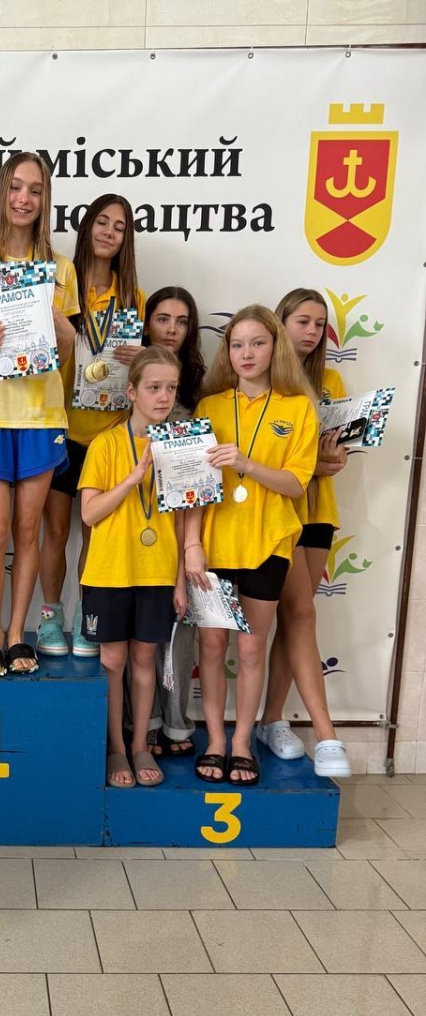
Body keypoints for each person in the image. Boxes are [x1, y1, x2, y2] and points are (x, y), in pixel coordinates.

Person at [0, 151, 78, 677]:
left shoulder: (60, 269)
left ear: (46, 200)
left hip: (42, 415)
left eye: (36, 190)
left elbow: (65, 355)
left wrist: (64, 331)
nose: (25, 198)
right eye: (16, 187)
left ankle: (19, 633)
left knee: (29, 531)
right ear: (1, 192)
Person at [185, 305, 319, 786]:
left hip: (267, 545)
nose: (246, 353)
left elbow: (296, 483)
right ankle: (215, 742)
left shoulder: (297, 408)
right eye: (237, 344)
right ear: (227, 350)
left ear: (275, 347)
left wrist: (246, 464)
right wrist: (192, 543)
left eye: (257, 343)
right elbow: (194, 485)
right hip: (215, 546)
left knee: (250, 649)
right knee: (211, 645)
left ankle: (242, 742)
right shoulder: (210, 407)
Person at [37, 193, 145, 660]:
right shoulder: (61, 283)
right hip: (59, 427)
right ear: (86, 228)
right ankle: (49, 618)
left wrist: (143, 358)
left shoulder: (133, 297)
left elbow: (146, 373)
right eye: (102, 222)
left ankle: (87, 615)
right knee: (56, 532)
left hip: (108, 434)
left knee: (94, 534)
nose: (109, 232)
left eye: (119, 227)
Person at [79, 347, 186, 787]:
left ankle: (141, 743)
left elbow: (183, 519)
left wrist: (180, 582)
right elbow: (89, 514)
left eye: (171, 388)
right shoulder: (105, 444)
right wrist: (131, 479)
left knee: (145, 658)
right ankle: (116, 749)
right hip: (110, 572)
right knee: (113, 660)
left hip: (157, 571)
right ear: (132, 391)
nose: (163, 397)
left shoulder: (179, 446)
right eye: (154, 387)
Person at [258, 288, 351, 776]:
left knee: (295, 617)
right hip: (276, 510)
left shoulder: (330, 380)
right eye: (303, 322)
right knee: (300, 612)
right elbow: (271, 458)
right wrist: (312, 464)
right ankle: (325, 732)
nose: (312, 332)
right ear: (281, 323)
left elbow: (333, 454)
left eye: (320, 324)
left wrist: (331, 460)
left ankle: (272, 719)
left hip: (318, 510)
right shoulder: (262, 379)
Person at [136, 286, 206, 758]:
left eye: (182, 321)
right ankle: (141, 723)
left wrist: (189, 549)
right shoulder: (127, 380)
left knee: (180, 627)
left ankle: (177, 724)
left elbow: (197, 484)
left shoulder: (198, 395)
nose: (172, 329)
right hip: (130, 533)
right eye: (163, 318)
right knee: (135, 641)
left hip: (181, 527)